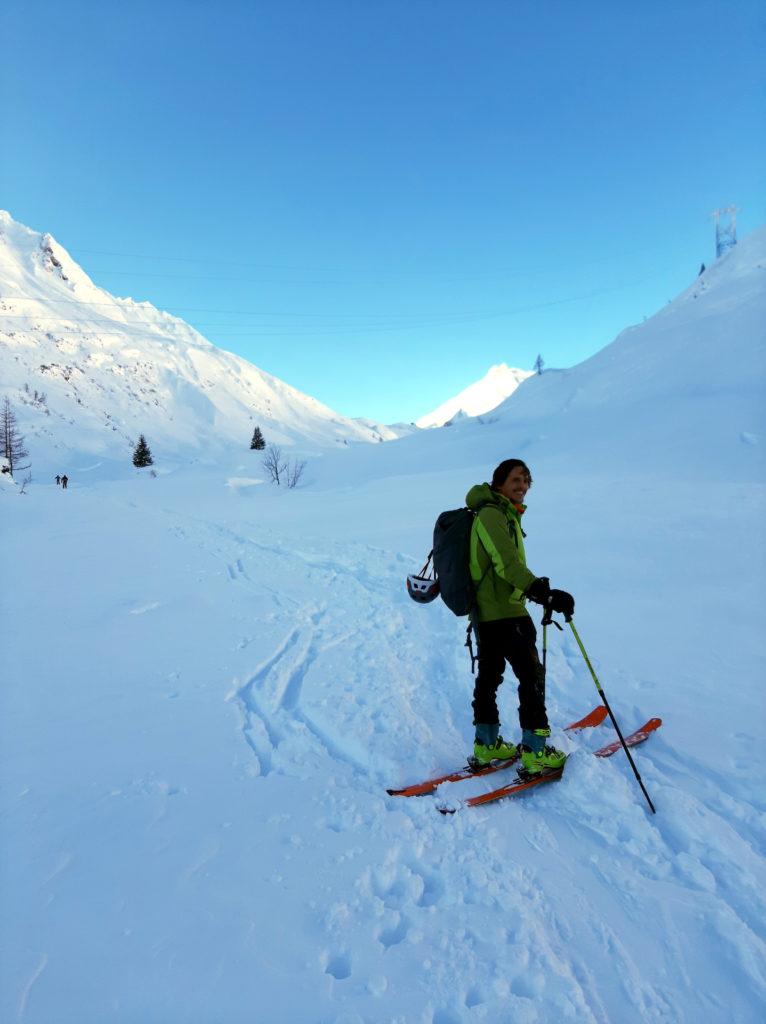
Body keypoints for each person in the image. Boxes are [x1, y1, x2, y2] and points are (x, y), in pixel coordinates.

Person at [466, 459, 574, 773]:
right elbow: (506, 564)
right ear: (498, 482)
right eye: (515, 479)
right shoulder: (491, 515)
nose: (522, 485)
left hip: (488, 614)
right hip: (506, 613)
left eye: (526, 480)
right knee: (531, 679)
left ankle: (486, 746)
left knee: (489, 678)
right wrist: (541, 591)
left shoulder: (498, 513)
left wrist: (536, 590)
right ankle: (535, 751)